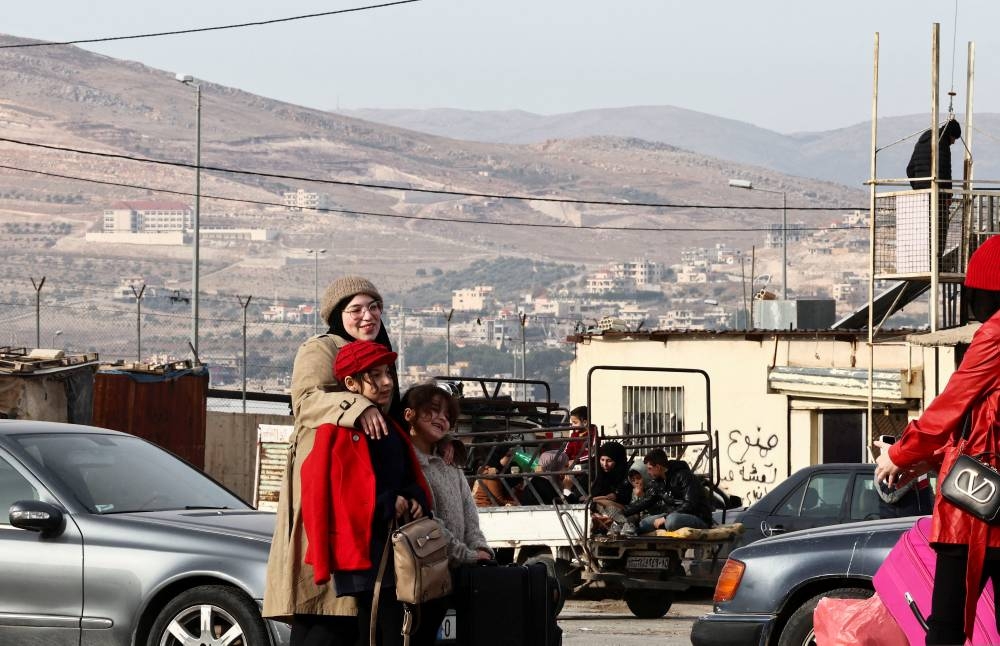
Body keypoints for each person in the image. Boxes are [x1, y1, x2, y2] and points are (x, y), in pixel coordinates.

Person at [875, 235, 1000, 645]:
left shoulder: (996, 335)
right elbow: (981, 426)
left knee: (944, 627)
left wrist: (899, 453)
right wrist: (926, 460)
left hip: (975, 510)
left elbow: (952, 404)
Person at [263, 276, 398, 646]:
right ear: (339, 314)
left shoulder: (382, 354)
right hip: (326, 487)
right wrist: (357, 405)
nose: (367, 316)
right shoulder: (321, 348)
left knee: (358, 616)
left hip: (367, 496)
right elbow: (306, 401)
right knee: (322, 607)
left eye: (374, 308)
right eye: (356, 309)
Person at [302, 339, 431, 646]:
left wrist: (413, 499)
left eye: (388, 372)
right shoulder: (336, 430)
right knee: (376, 626)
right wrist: (387, 503)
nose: (387, 382)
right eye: (375, 375)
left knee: (388, 625)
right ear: (350, 383)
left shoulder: (387, 425)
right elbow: (334, 491)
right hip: (366, 547)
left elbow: (404, 475)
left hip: (393, 544)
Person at [403, 383, 494, 644]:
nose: (441, 419)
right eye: (432, 411)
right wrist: (465, 555)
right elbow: (428, 524)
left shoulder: (450, 464)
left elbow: (469, 513)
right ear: (411, 414)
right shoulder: (409, 463)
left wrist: (480, 548)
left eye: (447, 415)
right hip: (425, 581)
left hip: (457, 577)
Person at [604, 449, 713, 536]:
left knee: (671, 521)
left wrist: (664, 518)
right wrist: (620, 514)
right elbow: (645, 502)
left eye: (650, 468)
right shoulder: (658, 482)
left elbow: (690, 504)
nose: (648, 472)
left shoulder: (684, 476)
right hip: (672, 515)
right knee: (643, 523)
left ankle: (666, 523)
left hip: (697, 517)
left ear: (658, 467)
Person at [906, 119, 963, 263]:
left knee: (923, 229)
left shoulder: (924, 138)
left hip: (921, 196)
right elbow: (944, 172)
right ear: (950, 134)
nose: (954, 142)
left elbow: (910, 169)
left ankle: (923, 260)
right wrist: (947, 195)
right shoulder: (942, 143)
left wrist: (918, 187)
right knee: (940, 227)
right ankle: (936, 259)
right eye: (954, 138)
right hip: (936, 196)